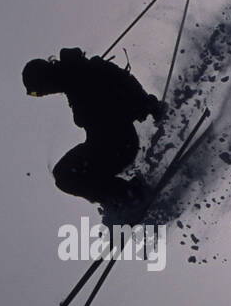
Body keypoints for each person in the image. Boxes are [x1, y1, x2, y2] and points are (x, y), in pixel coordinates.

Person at [23, 47, 163, 207]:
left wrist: (146, 102)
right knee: (65, 175)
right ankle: (122, 196)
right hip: (109, 144)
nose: (41, 95)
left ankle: (128, 195)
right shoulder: (74, 78)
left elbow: (120, 78)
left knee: (65, 176)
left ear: (44, 78)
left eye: (36, 92)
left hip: (118, 143)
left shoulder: (81, 72)